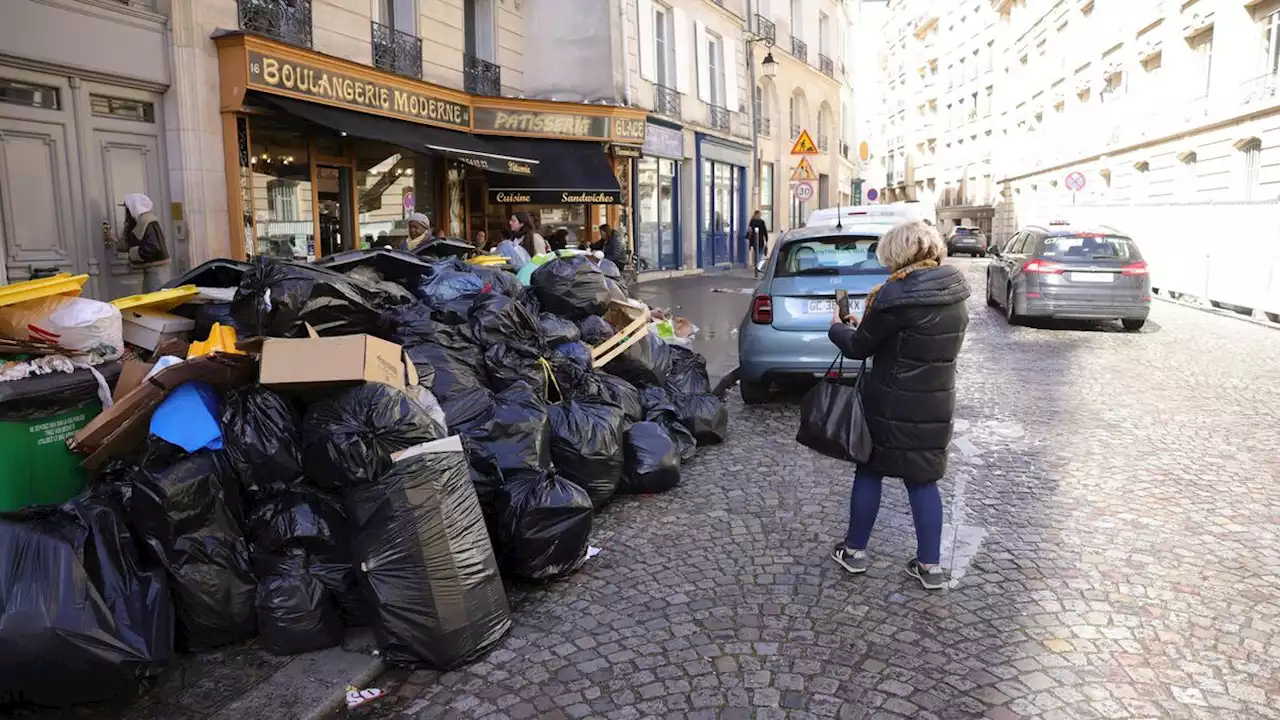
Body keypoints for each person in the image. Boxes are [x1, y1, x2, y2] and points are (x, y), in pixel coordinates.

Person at [826, 220, 970, 590]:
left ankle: (855, 552)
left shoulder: (893, 295)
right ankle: (930, 567)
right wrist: (867, 328)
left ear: (897, 253)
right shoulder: (953, 291)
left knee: (870, 471)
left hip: (888, 401)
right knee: (923, 480)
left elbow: (860, 347)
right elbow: (917, 342)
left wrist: (837, 327)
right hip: (934, 403)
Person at [102, 193, 171, 292]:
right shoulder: (140, 222)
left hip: (155, 271)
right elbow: (131, 243)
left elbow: (154, 248)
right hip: (151, 270)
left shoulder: (147, 222)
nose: (126, 212)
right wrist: (114, 239)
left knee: (154, 301)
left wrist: (134, 253)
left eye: (127, 208)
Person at [748, 210, 770, 276]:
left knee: (756, 253)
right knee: (760, 253)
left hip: (753, 240)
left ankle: (756, 265)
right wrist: (766, 239)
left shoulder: (752, 221)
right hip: (760, 240)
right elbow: (765, 231)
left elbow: (750, 231)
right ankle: (758, 265)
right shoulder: (761, 222)